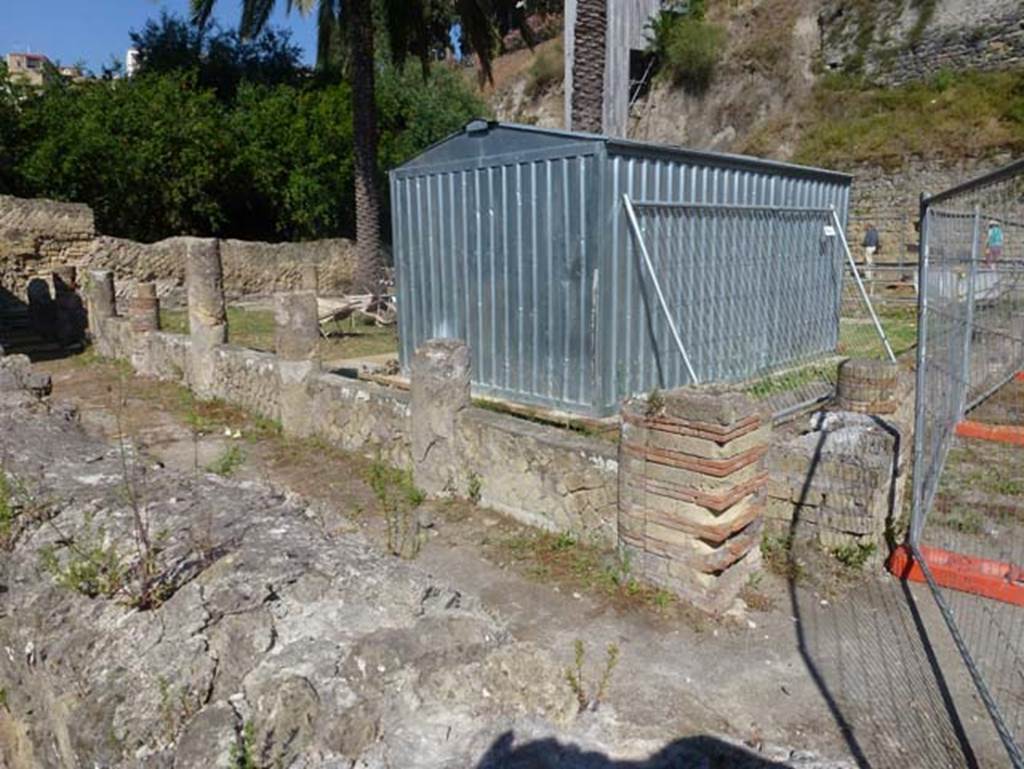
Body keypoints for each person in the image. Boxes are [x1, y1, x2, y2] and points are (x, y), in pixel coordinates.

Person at [862, 224, 880, 294]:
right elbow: (877, 241)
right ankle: (870, 269)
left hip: (869, 247)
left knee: (867, 260)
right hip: (874, 247)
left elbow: (866, 241)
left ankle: (868, 274)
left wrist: (863, 244)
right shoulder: (875, 232)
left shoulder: (869, 232)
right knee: (869, 258)